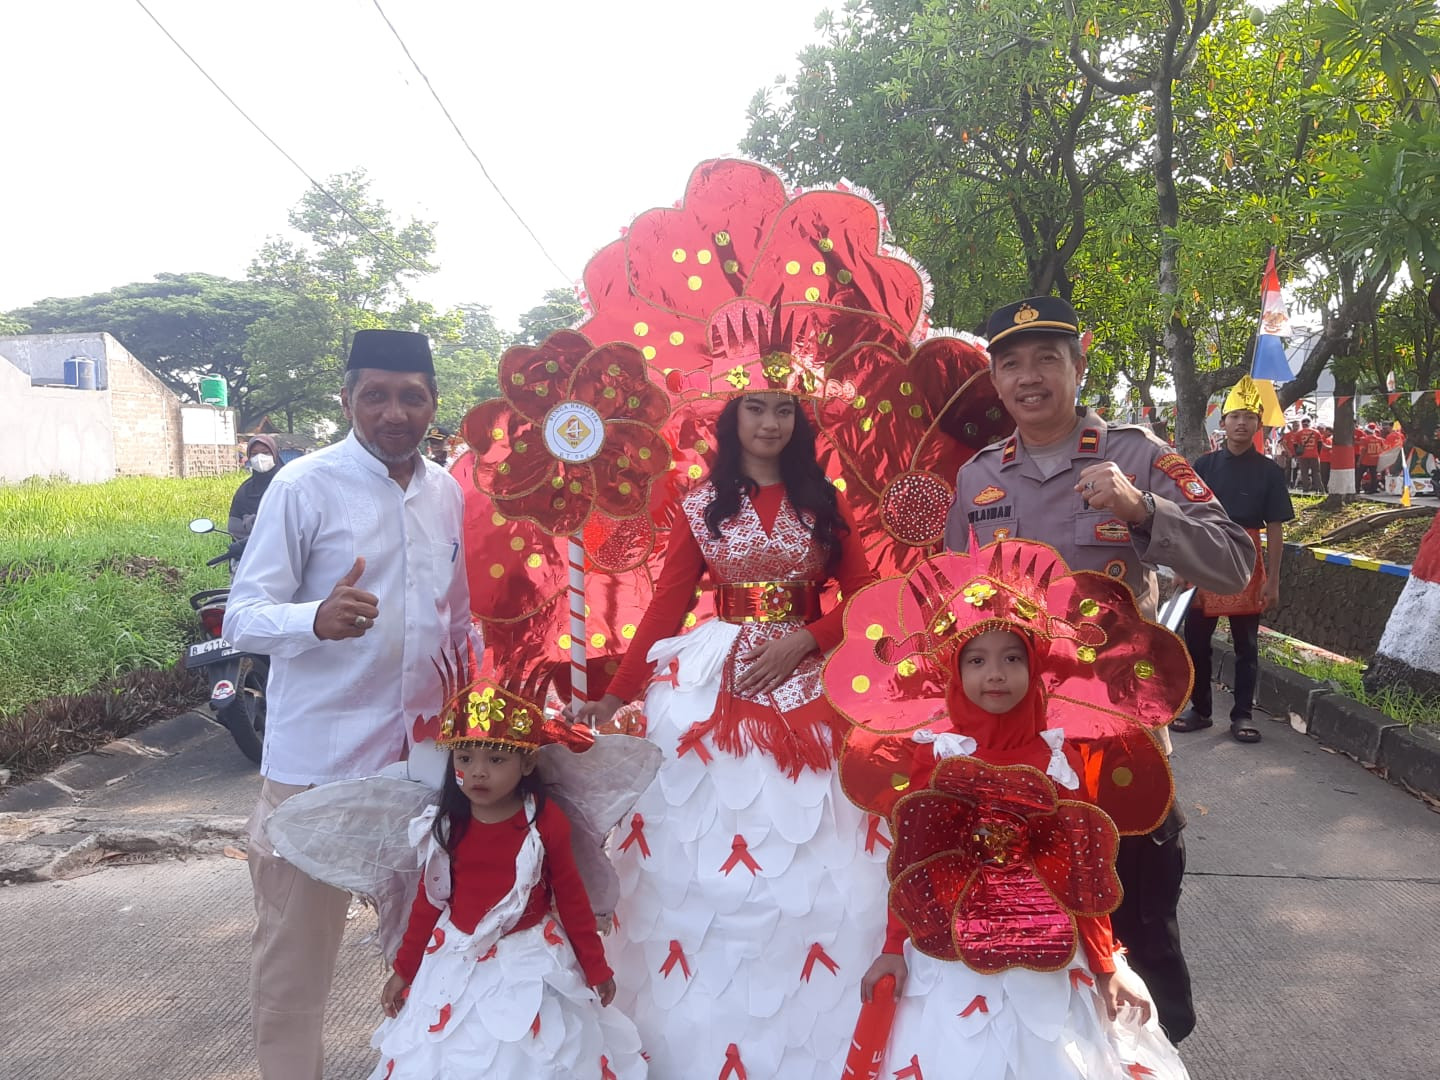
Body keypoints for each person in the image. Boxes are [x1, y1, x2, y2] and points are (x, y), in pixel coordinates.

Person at [942, 295, 1254, 1043]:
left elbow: (1236, 558)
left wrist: (1145, 510)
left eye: (1047, 357)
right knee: (1028, 905)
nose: (1029, 376)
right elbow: (952, 609)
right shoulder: (977, 479)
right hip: (1012, 745)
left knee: (1140, 910)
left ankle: (1159, 1049)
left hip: (1117, 734)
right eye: (1010, 362)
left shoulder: (1138, 455)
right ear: (995, 380)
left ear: (1078, 366)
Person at [567, 391, 888, 1079]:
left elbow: (864, 598)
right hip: (712, 680)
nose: (770, 423)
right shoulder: (698, 501)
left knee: (819, 848)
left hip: (811, 679)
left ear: (798, 424)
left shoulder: (825, 500)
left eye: (783, 411)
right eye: (755, 410)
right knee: (696, 849)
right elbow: (669, 600)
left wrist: (808, 636)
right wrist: (617, 693)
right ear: (732, 420)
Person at [224, 329, 475, 1080]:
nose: (395, 412)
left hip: (421, 766)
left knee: (426, 950)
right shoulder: (305, 486)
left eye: (412, 396)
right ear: (348, 400)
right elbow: (242, 615)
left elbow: (457, 618)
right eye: (376, 395)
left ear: (433, 403)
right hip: (319, 769)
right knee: (295, 968)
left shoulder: (446, 490)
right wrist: (313, 618)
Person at [838, 546, 1191, 1079]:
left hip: (1048, 947)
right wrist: (892, 948)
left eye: (1012, 657)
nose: (995, 675)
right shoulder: (935, 752)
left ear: (1036, 665)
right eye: (976, 660)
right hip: (947, 950)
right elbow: (914, 862)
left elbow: (1082, 870)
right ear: (954, 671)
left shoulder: (1059, 757)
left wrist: (1103, 963)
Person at [370, 676, 645, 1079]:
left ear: (527, 762)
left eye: (496, 760)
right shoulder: (445, 824)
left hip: (530, 962)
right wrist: (404, 970)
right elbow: (429, 903)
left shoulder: (545, 821)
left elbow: (571, 897)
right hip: (454, 964)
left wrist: (595, 966)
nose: (478, 773)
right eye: (465, 759)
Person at [1173, 377, 1294, 744]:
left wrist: (1272, 580)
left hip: (1248, 559)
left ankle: (1242, 715)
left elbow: (1275, 528)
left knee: (1247, 645)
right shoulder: (1204, 466)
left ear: (1259, 424)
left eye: (1250, 417)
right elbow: (1186, 518)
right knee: (1196, 640)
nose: (1242, 423)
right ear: (1222, 422)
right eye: (1235, 416)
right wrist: (1182, 565)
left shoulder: (1270, 471)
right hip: (1205, 557)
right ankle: (1201, 710)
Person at [228, 434, 282, 541]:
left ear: (274, 454)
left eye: (265, 452)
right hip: (251, 548)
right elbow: (234, 528)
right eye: (254, 454)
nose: (260, 458)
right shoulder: (244, 491)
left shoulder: (287, 485)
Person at [1294, 417, 1322, 492]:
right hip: (1314, 455)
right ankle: (1319, 489)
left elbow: (1295, 446)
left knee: (1304, 473)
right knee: (1316, 473)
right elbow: (1320, 444)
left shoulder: (1298, 433)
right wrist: (1318, 453)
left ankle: (1305, 489)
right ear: (1309, 423)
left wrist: (1297, 455)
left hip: (1303, 456)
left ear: (1302, 424)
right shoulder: (1316, 432)